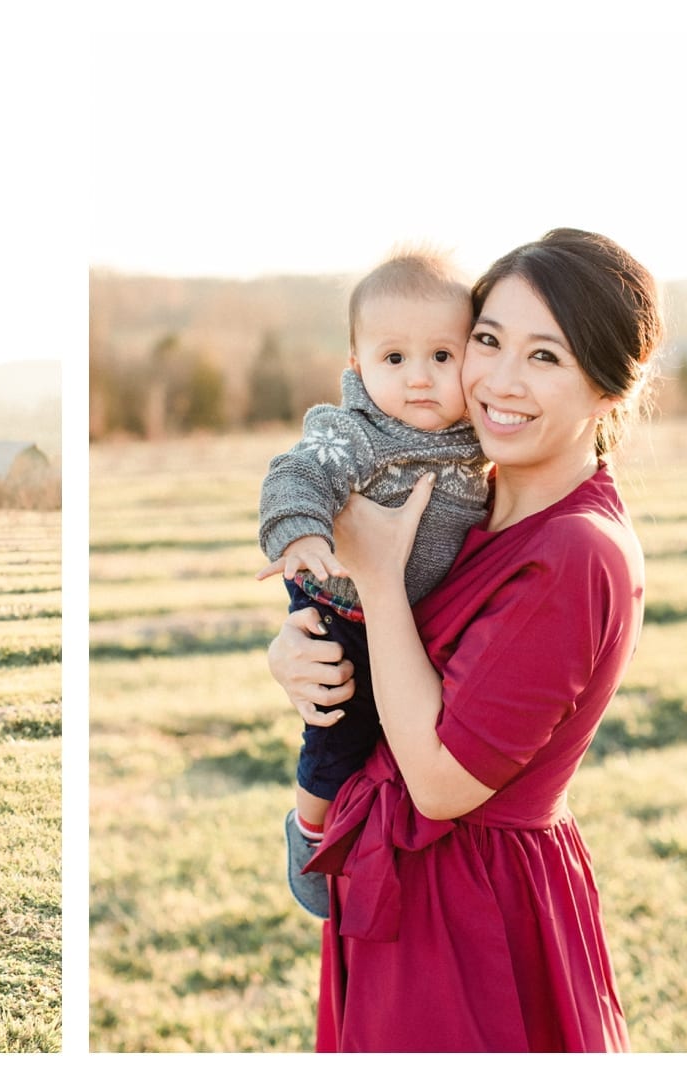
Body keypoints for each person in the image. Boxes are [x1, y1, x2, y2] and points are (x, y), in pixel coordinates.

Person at [266, 228, 660, 1051]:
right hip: (398, 896)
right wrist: (301, 646)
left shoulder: (575, 552)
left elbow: (443, 783)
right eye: (487, 340)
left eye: (545, 356)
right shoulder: (472, 507)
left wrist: (374, 577)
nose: (498, 380)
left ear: (608, 386)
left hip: (469, 924)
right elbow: (399, 649)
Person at [256, 249, 490, 919]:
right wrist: (301, 532)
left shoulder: (475, 439)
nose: (420, 378)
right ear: (357, 366)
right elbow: (294, 474)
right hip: (341, 602)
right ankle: (307, 828)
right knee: (342, 723)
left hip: (405, 615)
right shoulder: (356, 433)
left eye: (441, 357)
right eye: (395, 359)